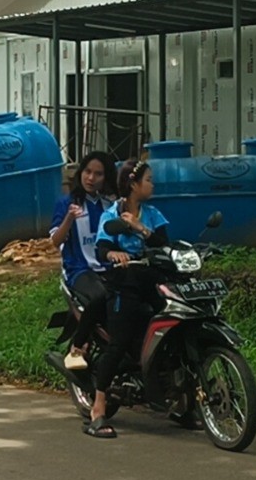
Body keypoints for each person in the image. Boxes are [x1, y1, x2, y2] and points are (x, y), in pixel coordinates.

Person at [83, 158, 170, 439]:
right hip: (124, 284)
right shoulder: (111, 216)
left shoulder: (153, 214)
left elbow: (164, 245)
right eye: (148, 180)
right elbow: (102, 249)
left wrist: (141, 229)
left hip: (151, 281)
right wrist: (113, 255)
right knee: (118, 342)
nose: (152, 185)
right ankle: (98, 408)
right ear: (134, 185)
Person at [48, 152, 117, 371]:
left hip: (108, 268)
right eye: (87, 172)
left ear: (106, 178)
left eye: (98, 174)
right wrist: (69, 219)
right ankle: (78, 346)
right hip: (79, 270)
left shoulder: (110, 206)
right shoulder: (67, 204)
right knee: (100, 297)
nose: (91, 178)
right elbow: (55, 241)